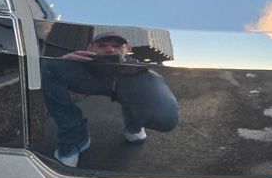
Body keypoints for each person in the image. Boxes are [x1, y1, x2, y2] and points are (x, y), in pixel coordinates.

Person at [41, 32, 179, 167]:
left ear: (127, 49)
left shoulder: (142, 73)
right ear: (90, 48)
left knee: (166, 116)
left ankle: (133, 126)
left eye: (117, 46)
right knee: (49, 67)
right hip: (90, 78)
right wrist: (58, 62)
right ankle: (75, 139)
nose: (110, 49)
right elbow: (45, 67)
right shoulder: (78, 63)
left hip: (129, 82)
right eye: (102, 45)